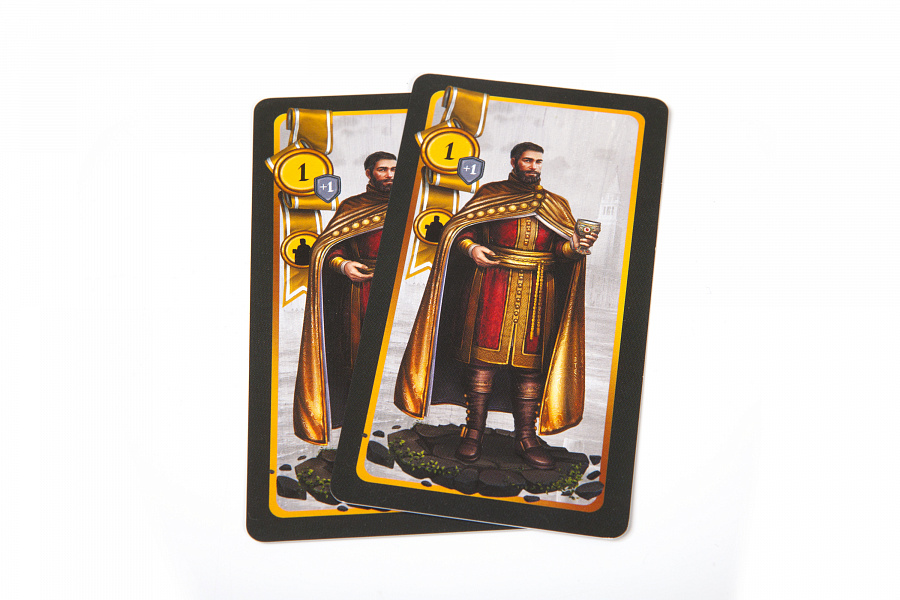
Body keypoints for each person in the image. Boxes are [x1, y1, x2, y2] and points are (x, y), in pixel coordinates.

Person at [394, 143, 597, 469]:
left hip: (538, 293)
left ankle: (526, 437)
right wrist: (471, 248)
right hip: (491, 287)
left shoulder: (556, 204)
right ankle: (473, 432)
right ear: (515, 161)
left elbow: (560, 251)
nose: (533, 167)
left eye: (538, 162)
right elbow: (457, 231)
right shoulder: (491, 194)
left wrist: (574, 247)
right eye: (528, 160)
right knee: (482, 363)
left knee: (530, 367)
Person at [294, 152, 396, 445]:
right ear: (369, 173)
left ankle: (387, 429)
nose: (390, 175)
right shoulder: (353, 207)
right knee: (359, 363)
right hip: (361, 293)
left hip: (402, 293)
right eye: (383, 169)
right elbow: (327, 249)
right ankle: (356, 435)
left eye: (394, 169)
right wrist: (344, 265)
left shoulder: (412, 205)